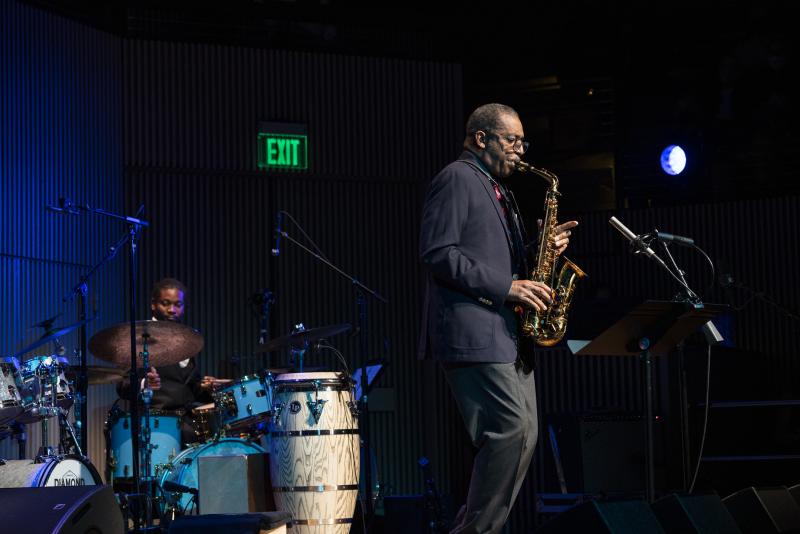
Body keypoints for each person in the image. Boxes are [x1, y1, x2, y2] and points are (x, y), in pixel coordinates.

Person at [417, 103, 577, 533]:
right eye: (511, 141)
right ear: (480, 138)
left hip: (504, 334)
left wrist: (542, 250)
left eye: (523, 142)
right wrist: (507, 287)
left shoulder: (496, 188)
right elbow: (437, 252)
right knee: (510, 432)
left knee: (524, 436)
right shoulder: (457, 178)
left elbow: (494, 257)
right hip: (474, 332)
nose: (519, 151)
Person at [117, 277, 216, 444]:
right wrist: (143, 384)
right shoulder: (139, 339)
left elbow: (189, 386)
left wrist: (207, 387)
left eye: (178, 305)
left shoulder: (187, 339)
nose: (172, 310)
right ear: (153, 304)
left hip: (189, 422)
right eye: (166, 303)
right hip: (157, 424)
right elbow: (122, 386)